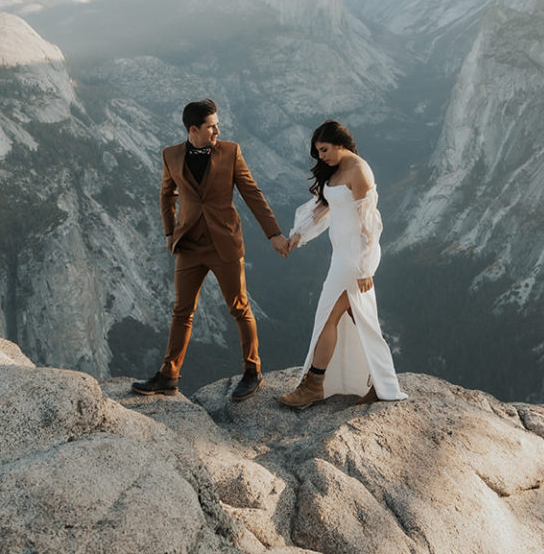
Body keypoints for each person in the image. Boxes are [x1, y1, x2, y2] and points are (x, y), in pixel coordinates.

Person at [133, 98, 290, 402]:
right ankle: (168, 376)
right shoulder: (171, 155)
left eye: (218, 125)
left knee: (239, 307)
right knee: (182, 311)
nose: (218, 130)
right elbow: (167, 195)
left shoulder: (230, 152)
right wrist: (169, 232)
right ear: (194, 129)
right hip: (189, 244)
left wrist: (274, 233)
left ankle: (252, 371)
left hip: (224, 243)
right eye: (212, 126)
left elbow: (252, 193)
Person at [278, 119, 405, 407]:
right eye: (318, 152)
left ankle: (314, 384)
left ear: (340, 144)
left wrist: (364, 268)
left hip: (353, 262)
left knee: (328, 318)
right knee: (359, 321)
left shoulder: (359, 171)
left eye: (324, 150)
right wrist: (298, 234)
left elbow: (369, 226)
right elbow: (324, 205)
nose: (321, 157)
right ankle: (379, 382)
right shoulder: (335, 170)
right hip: (341, 258)